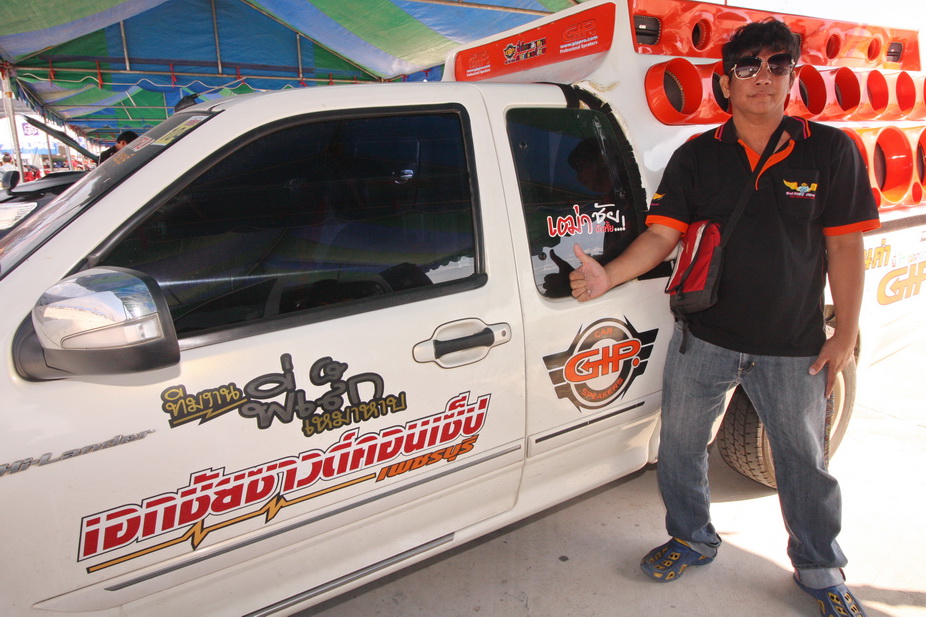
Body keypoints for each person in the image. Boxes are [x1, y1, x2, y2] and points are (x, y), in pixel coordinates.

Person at [569, 19, 878, 617]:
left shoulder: (830, 150)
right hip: (703, 339)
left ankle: (819, 565)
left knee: (803, 464)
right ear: (726, 82)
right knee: (681, 447)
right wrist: (609, 275)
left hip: (793, 345)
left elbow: (845, 246)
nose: (763, 77)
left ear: (792, 77)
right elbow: (662, 236)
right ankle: (691, 537)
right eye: (748, 66)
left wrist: (844, 332)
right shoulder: (696, 157)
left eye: (777, 65)